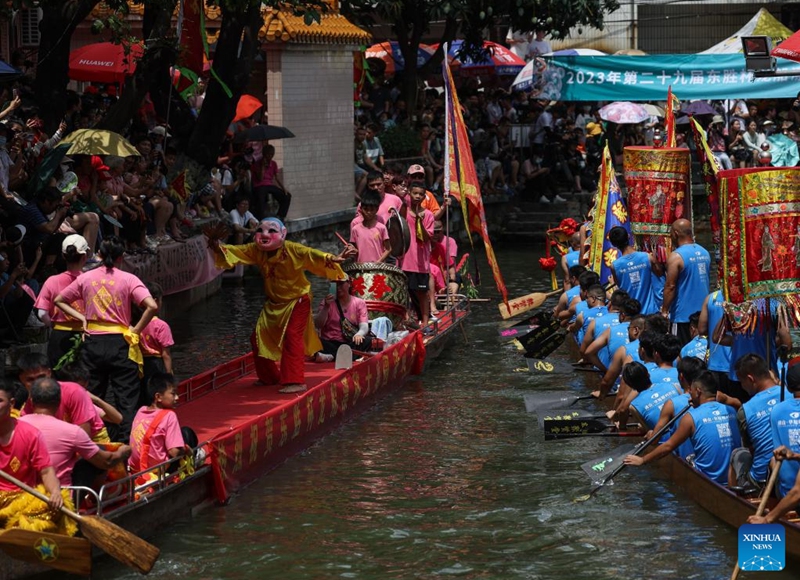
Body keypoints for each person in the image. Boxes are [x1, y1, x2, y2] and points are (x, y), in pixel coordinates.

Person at [208, 218, 347, 393]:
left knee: (292, 336)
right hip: (273, 303)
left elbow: (312, 254)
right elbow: (237, 252)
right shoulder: (256, 250)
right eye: (260, 230)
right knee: (257, 338)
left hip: (297, 300)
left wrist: (333, 258)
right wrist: (216, 246)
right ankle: (269, 377)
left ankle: (295, 381)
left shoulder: (292, 249)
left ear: (283, 234)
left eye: (271, 231)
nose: (265, 234)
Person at [54, 237, 158, 441]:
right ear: (121, 257)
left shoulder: (85, 278)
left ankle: (92, 442)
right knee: (126, 399)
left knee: (92, 395)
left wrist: (82, 318)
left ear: (99, 255)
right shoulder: (129, 279)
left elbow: (59, 300)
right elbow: (152, 306)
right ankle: (126, 446)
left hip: (92, 342)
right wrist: (136, 330)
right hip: (120, 342)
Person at [624, 371, 741, 486]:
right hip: (733, 478)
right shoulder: (730, 410)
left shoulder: (690, 417)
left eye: (691, 389)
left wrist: (643, 460)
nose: (689, 392)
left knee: (687, 455)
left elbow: (668, 446)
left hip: (707, 479)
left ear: (698, 392)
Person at [19, 378, 130, 487]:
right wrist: (122, 452)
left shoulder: (15, 425)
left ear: (31, 400)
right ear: (59, 400)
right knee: (95, 456)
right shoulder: (73, 432)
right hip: (62, 497)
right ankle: (94, 498)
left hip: (20, 493)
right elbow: (106, 462)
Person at [0, 380, 72, 534]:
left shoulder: (30, 434)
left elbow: (46, 472)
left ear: (11, 403)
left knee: (53, 508)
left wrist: (55, 492)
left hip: (22, 499)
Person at [724, 354, 782, 491]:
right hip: (791, 471)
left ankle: (734, 499)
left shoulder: (745, 410)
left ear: (750, 379)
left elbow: (751, 449)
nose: (742, 387)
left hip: (762, 480)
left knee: (737, 453)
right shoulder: (791, 395)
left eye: (741, 382)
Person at [34, 234, 88, 367]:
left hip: (59, 335)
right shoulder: (90, 281)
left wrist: (53, 325)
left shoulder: (52, 281)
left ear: (63, 256)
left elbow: (41, 314)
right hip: (86, 335)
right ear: (85, 257)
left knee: (59, 378)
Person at [17, 352, 96, 438]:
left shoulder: (73, 391)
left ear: (49, 373)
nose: (38, 383)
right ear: (21, 379)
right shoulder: (28, 406)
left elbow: (84, 436)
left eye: (41, 377)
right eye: (30, 380)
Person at [647, 356, 707, 459]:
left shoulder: (671, 404)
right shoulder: (714, 398)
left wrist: (650, 434)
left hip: (686, 460)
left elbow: (654, 440)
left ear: (681, 377)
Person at [662, 219, 710, 346]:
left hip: (683, 317)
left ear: (676, 233)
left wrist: (664, 310)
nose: (670, 236)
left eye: (671, 233)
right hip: (703, 315)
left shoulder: (676, 257)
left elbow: (670, 286)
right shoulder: (705, 253)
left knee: (681, 354)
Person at [129, 373, 186, 474]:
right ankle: (197, 455)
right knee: (187, 434)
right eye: (173, 394)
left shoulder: (141, 410)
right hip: (157, 470)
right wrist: (186, 449)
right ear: (158, 397)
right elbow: (174, 452)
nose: (177, 397)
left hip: (135, 468)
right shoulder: (169, 415)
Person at [314, 276, 373, 360]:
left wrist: (359, 334)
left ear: (348, 284)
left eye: (341, 284)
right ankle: (347, 356)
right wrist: (326, 307)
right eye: (335, 284)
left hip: (349, 341)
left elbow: (364, 325)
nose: (338, 287)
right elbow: (318, 325)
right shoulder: (326, 302)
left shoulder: (359, 303)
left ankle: (331, 357)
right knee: (318, 342)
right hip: (330, 341)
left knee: (367, 340)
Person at [402, 182, 435, 329]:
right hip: (404, 260)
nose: (417, 196)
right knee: (404, 292)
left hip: (420, 262)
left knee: (422, 292)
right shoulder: (403, 211)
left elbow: (426, 237)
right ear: (409, 193)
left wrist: (419, 220)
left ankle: (425, 322)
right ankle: (407, 319)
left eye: (421, 194)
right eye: (415, 193)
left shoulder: (428, 215)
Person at [609, 225, 663, 315]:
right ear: (629, 237)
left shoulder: (614, 266)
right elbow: (660, 275)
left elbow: (620, 286)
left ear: (613, 244)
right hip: (651, 312)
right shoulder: (647, 257)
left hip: (631, 314)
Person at [768, 364, 800, 502]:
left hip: (787, 493)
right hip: (792, 494)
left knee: (772, 460)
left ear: (788, 388)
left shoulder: (776, 411)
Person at [139, 282, 174, 398]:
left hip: (139, 362)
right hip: (156, 363)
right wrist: (169, 374)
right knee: (155, 392)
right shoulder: (161, 326)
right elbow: (166, 354)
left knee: (142, 393)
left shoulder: (135, 324)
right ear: (155, 300)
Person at [349, 188, 390, 263]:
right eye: (365, 209)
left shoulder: (381, 227)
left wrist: (379, 261)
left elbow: (388, 249)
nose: (368, 212)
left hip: (378, 267)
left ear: (377, 209)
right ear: (361, 209)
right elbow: (353, 247)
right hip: (361, 266)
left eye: (372, 210)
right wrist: (351, 250)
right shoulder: (355, 229)